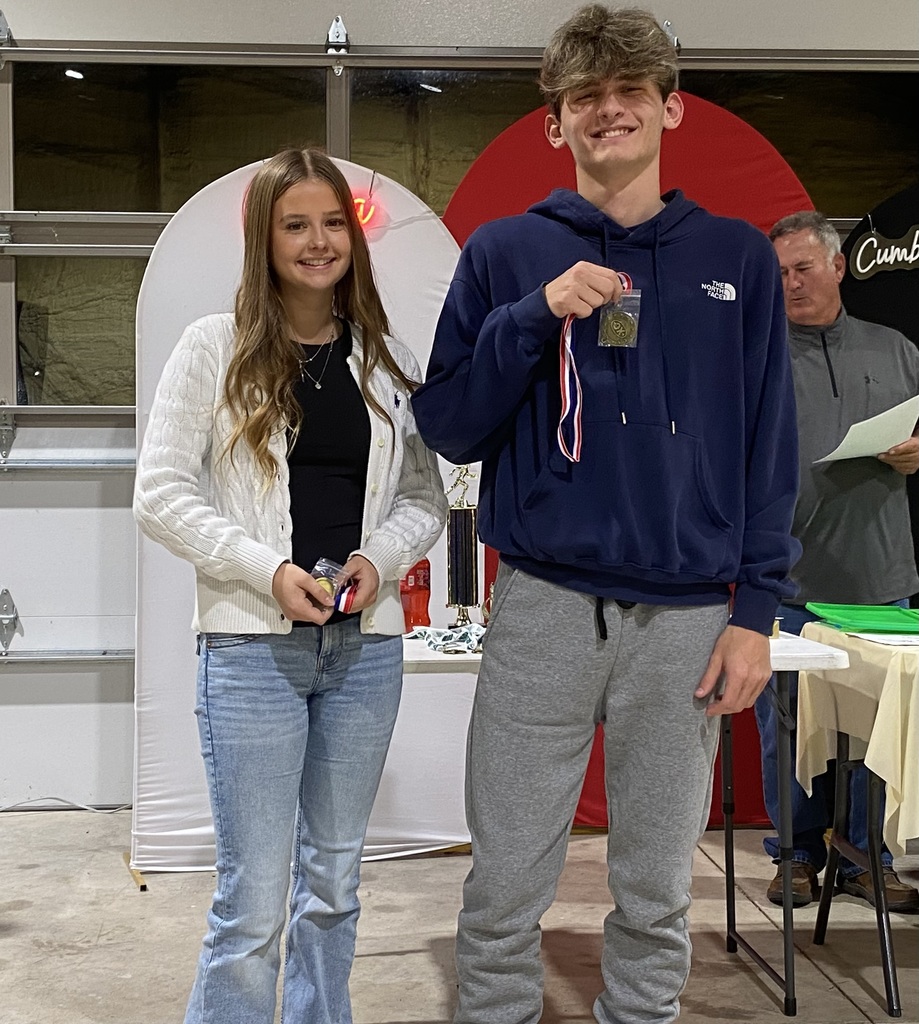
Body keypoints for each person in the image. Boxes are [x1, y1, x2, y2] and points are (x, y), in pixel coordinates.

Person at [411, 7, 800, 1023]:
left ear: (670, 107)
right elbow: (449, 422)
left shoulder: (737, 260)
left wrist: (755, 611)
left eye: (630, 90)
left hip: (684, 621)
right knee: (503, 874)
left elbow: (768, 446)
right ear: (556, 123)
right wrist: (532, 315)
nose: (608, 109)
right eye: (585, 95)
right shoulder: (504, 252)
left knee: (657, 880)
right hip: (542, 604)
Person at [133, 148, 447, 1024]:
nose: (318, 242)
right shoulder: (214, 347)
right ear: (263, 238)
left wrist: (375, 563)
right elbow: (158, 494)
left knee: (336, 885)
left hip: (362, 651)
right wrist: (265, 570)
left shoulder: (386, 357)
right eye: (295, 224)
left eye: (333, 222)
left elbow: (424, 495)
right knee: (253, 900)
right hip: (248, 654)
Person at [755, 210, 919, 913]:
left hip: (880, 577)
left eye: (802, 267)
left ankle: (868, 859)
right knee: (786, 729)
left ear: (837, 268)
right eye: (779, 272)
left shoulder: (898, 351)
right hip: (784, 577)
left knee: (878, 728)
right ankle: (794, 853)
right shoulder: (752, 356)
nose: (791, 282)